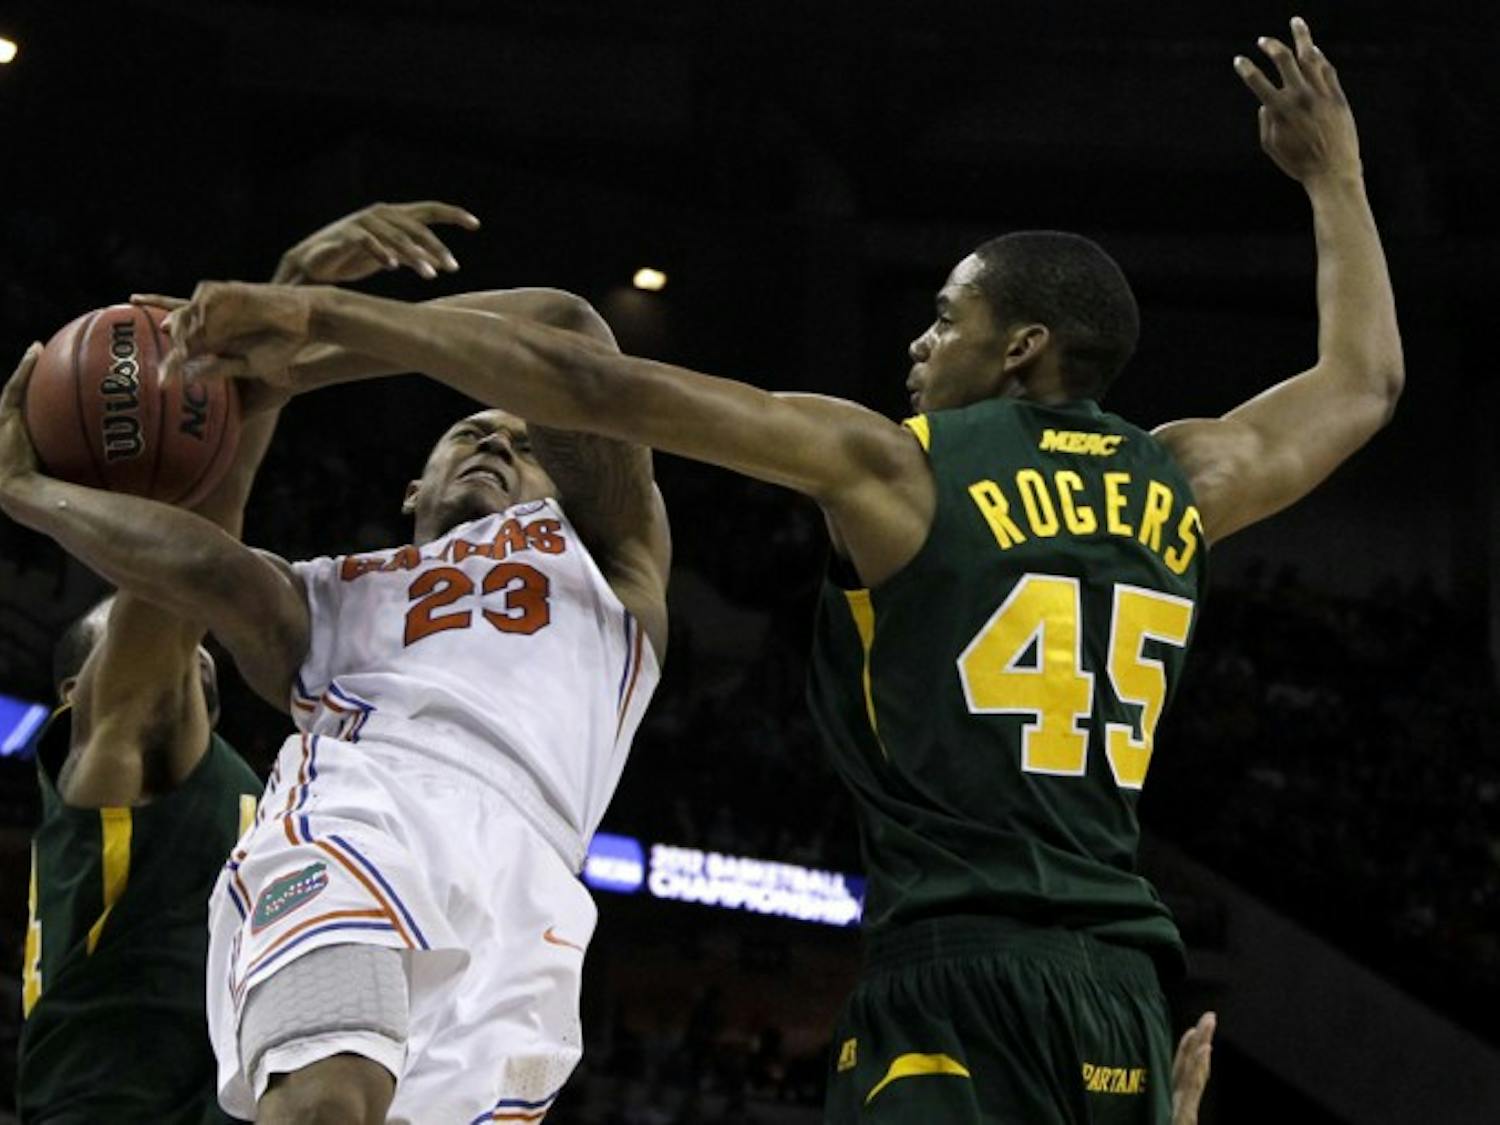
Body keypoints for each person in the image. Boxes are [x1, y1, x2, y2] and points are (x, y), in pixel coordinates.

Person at [141, 17, 1396, 1124]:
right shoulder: (1181, 481)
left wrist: (327, 319)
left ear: (1020, 349)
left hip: (955, 969)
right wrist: (1335, 177)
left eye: (947, 317)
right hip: (1122, 980)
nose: (919, 338)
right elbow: (1363, 384)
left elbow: (591, 382)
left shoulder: (897, 466)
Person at [0, 278, 670, 1120]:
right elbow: (203, 568)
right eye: (470, 429)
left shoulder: (611, 556)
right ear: (411, 490)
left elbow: (570, 331)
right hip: (366, 806)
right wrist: (33, 495)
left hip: (535, 894)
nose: (497, 441)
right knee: (325, 1101)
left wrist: (307, 354)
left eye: (527, 442)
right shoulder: (330, 597)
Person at [5, 200, 479, 1123]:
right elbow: (187, 576)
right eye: (127, 630)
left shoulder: (252, 788)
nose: (180, 646)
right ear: (75, 695)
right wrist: (284, 304)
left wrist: (278, 322)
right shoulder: (112, 761)